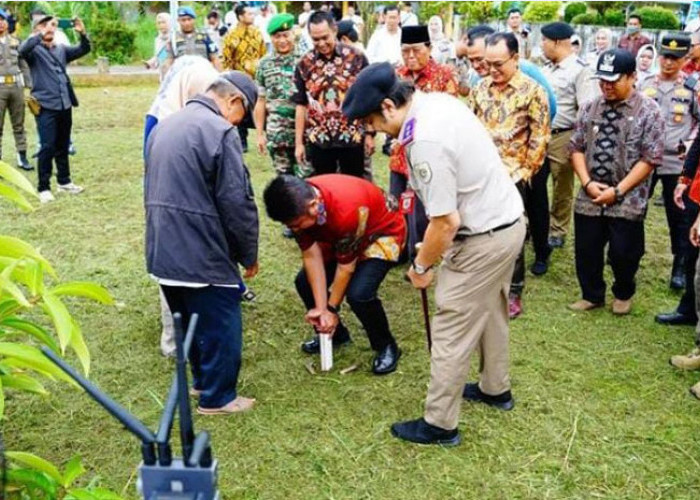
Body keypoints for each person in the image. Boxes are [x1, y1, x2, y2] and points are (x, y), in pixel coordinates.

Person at [343, 63, 524, 445]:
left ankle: (440, 423)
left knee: (451, 327)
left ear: (390, 106)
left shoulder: (425, 140)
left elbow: (445, 222)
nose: (371, 130)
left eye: (371, 121)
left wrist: (422, 264)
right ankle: (496, 388)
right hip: (506, 222)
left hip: (482, 236)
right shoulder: (435, 101)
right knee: (491, 310)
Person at [145, 72, 260, 416]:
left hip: (162, 246)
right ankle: (219, 396)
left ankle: (200, 382)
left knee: (189, 320)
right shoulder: (219, 131)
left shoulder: (166, 124)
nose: (240, 125)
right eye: (243, 118)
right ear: (234, 101)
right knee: (221, 320)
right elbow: (236, 202)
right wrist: (247, 254)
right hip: (200, 247)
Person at [264, 174, 406, 375]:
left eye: (296, 225)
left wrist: (330, 308)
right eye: (289, 226)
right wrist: (321, 309)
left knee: (359, 294)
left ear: (314, 205)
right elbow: (312, 257)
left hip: (381, 232)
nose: (293, 230)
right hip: (340, 236)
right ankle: (336, 335)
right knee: (304, 282)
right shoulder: (298, 208)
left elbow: (346, 267)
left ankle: (386, 345)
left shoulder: (346, 210)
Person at [568, 49, 664, 315]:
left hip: (627, 197)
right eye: (602, 80)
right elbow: (576, 147)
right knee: (587, 248)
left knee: (625, 252)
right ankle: (592, 294)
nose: (606, 86)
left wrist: (619, 190)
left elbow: (650, 157)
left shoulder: (649, 111)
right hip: (591, 193)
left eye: (613, 80)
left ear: (632, 77)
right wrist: (586, 183)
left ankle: (623, 291)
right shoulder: (590, 107)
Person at [461, 25, 557, 276]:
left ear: (515, 58)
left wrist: (526, 171)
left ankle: (516, 282)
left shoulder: (533, 90)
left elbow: (540, 134)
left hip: (516, 172)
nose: (491, 70)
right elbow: (468, 127)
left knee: (513, 228)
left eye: (498, 64)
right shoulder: (480, 88)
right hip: (482, 171)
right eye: (486, 63)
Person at [143, 56, 220, 357]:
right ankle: (173, 339)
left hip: (196, 201)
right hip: (169, 201)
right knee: (173, 266)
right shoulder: (160, 117)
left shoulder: (206, 118)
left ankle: (196, 328)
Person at [390, 25, 458, 260]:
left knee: (422, 211)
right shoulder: (396, 76)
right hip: (400, 155)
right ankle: (399, 248)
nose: (410, 56)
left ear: (429, 48)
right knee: (398, 204)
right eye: (405, 51)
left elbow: (449, 117)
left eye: (416, 50)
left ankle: (421, 254)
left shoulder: (443, 76)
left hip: (429, 156)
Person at [640, 36, 698, 291]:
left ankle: (679, 266)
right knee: (635, 209)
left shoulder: (693, 87)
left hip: (676, 162)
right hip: (645, 160)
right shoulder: (644, 83)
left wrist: (690, 144)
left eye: (675, 58)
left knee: (679, 218)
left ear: (685, 59)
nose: (668, 62)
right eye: (665, 56)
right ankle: (627, 253)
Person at [19, 13, 90, 204]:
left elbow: (84, 49)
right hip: (45, 105)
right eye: (44, 26)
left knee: (63, 145)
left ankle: (64, 181)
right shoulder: (33, 51)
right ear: (36, 30)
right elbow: (22, 50)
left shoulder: (61, 49)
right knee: (47, 146)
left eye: (51, 26)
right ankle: (43, 187)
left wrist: (82, 34)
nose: (50, 29)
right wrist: (38, 35)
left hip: (64, 103)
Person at [292, 11, 371, 177]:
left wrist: (370, 133)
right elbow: (300, 105)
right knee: (324, 189)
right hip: (319, 141)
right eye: (315, 39)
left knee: (354, 188)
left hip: (352, 139)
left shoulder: (356, 58)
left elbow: (368, 98)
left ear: (335, 30)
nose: (321, 43)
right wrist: (299, 143)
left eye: (325, 37)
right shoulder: (303, 64)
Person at [541, 21, 597, 250]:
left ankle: (558, 229)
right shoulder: (545, 69)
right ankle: (537, 224)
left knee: (561, 186)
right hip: (540, 133)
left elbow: (587, 109)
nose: (541, 45)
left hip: (564, 135)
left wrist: (579, 143)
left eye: (544, 41)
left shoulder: (580, 69)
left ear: (556, 42)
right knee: (534, 184)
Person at [254, 14, 307, 178]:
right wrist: (260, 134)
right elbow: (261, 101)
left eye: (286, 35)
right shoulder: (264, 64)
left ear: (293, 35)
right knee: (285, 181)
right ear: (271, 38)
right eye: (277, 36)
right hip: (277, 133)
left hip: (305, 131)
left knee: (307, 179)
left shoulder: (306, 61)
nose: (282, 40)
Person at [221, 3, 266, 152]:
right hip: (238, 80)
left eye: (253, 14)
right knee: (239, 109)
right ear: (240, 16)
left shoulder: (257, 33)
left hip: (256, 78)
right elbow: (227, 60)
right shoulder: (231, 36)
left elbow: (263, 54)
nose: (252, 17)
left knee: (258, 106)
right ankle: (242, 140)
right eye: (249, 14)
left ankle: (262, 135)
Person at [0, 8, 32, 171]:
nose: (0, 23)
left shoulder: (15, 41)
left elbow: (23, 64)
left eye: (2, 19)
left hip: (16, 87)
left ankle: (22, 157)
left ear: (7, 23)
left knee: (18, 124)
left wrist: (29, 84)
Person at [165, 7, 221, 72]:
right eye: (183, 20)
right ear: (178, 21)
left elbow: (215, 58)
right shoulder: (174, 39)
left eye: (189, 19)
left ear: (194, 20)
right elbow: (169, 61)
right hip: (183, 76)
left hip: (203, 75)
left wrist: (219, 76)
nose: (187, 23)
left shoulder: (204, 36)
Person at [145, 12, 171, 81]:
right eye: (159, 23)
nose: (161, 25)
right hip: (163, 74)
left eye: (163, 22)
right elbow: (160, 56)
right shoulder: (158, 39)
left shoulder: (176, 37)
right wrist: (151, 63)